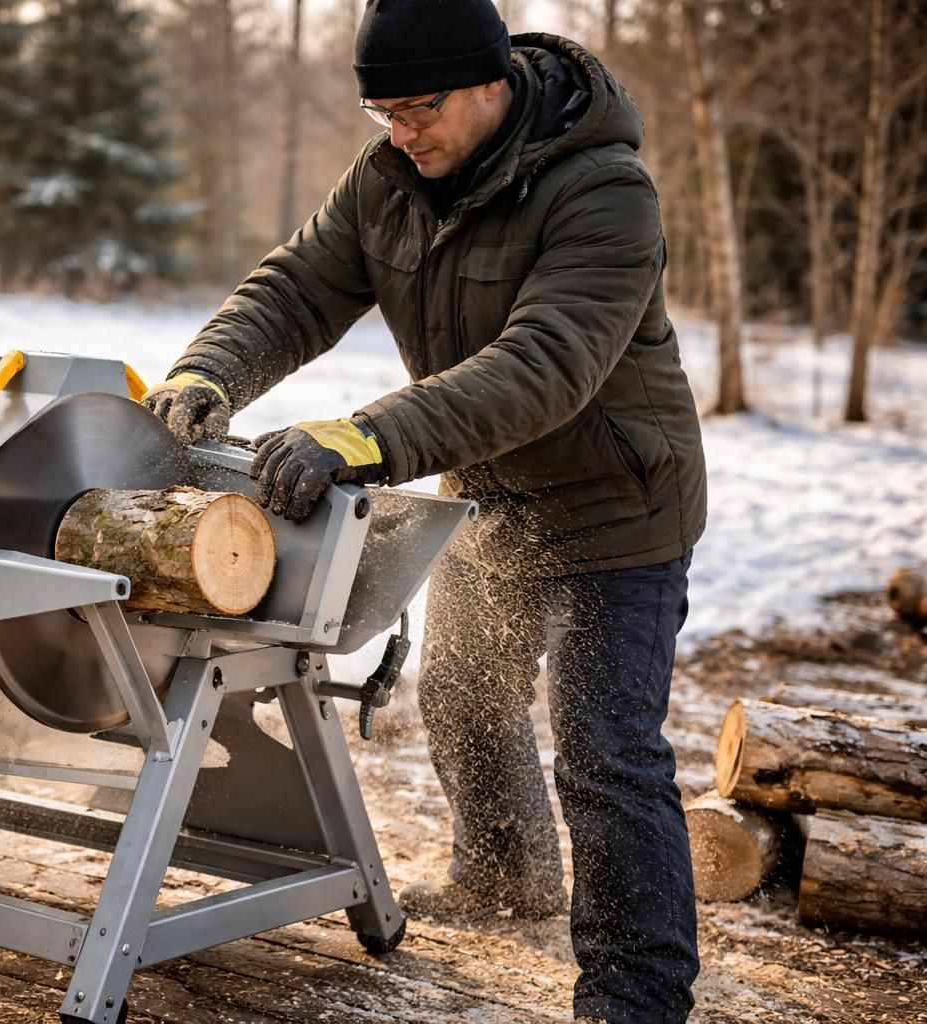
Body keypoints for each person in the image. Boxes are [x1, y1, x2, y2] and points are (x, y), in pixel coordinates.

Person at [141, 1, 708, 1021]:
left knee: (606, 753)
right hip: (488, 491)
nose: (402, 131)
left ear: (491, 79)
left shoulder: (604, 190)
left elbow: (545, 364)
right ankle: (505, 883)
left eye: (421, 107)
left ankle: (638, 992)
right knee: (463, 698)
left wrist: (365, 439)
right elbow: (296, 288)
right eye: (384, 112)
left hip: (618, 507)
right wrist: (209, 368)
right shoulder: (391, 178)